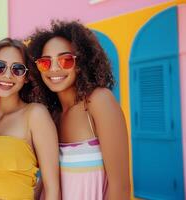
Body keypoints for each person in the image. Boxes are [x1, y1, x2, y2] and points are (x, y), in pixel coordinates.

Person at [28, 20, 131, 200]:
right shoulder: (51, 115)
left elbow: (120, 188)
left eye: (65, 60)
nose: (54, 68)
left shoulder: (98, 101)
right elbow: (46, 181)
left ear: (81, 62)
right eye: (45, 62)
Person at [0, 38, 60, 200]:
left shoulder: (35, 115)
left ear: (26, 77)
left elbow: (52, 189)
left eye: (18, 69)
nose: (7, 75)